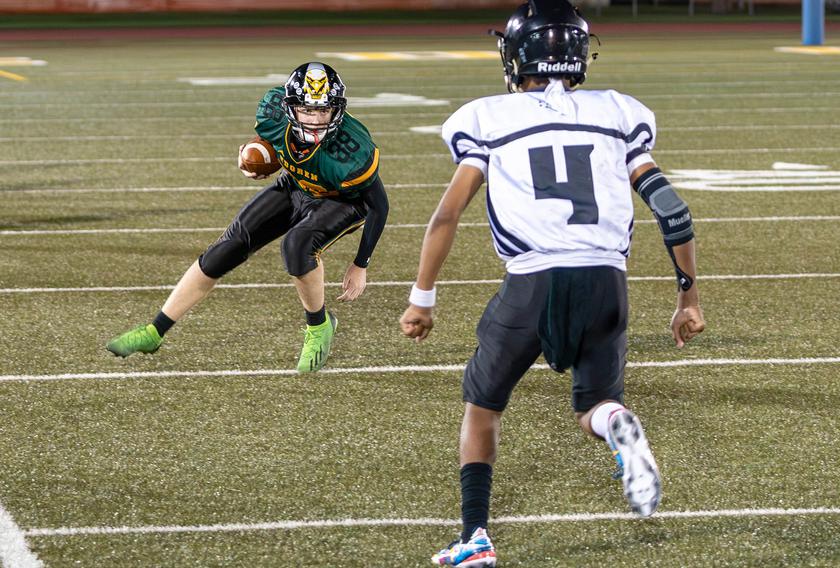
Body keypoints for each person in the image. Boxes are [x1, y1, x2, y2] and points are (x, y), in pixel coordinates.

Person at [399, 1, 705, 565]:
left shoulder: (488, 118)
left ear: (517, 57)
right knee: (598, 403)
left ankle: (474, 539)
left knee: (482, 408)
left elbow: (446, 216)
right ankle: (619, 427)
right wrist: (688, 296)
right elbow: (674, 211)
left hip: (532, 281)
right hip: (606, 281)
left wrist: (423, 298)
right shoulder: (616, 111)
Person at [107, 61, 389, 373]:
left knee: (297, 246)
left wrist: (360, 264)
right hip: (296, 184)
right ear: (290, 108)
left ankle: (319, 325)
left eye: (323, 111)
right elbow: (273, 149)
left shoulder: (352, 148)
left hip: (342, 201)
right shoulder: (272, 113)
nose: (315, 120)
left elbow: (379, 204)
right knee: (227, 248)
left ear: (336, 109)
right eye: (308, 111)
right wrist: (254, 160)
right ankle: (154, 331)